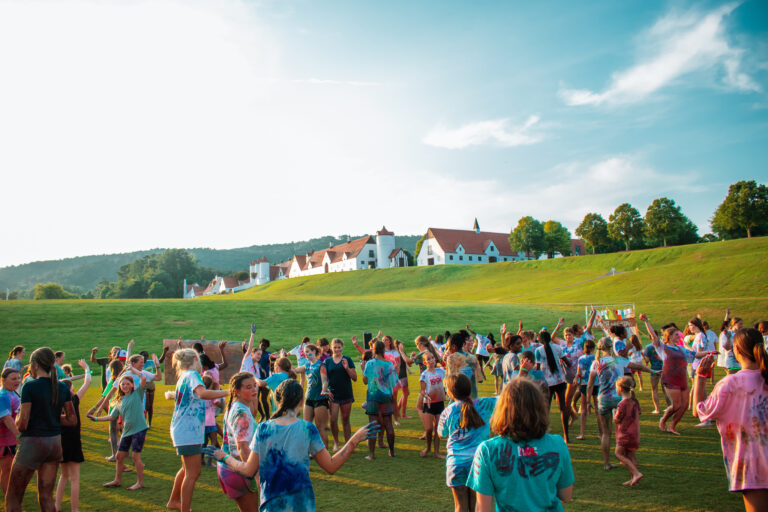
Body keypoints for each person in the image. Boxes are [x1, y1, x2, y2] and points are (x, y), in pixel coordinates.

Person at [207, 379, 378, 511]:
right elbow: (331, 466)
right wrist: (354, 439)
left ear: (277, 399)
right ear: (301, 400)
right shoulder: (307, 429)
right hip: (302, 503)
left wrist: (225, 457)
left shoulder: (264, 429)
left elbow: (247, 470)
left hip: (272, 504)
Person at [467, 378, 574, 512]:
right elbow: (566, 494)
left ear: (502, 410)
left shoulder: (487, 450)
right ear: (540, 408)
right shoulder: (558, 444)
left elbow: (483, 508)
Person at [695, 328, 768, 512]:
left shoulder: (730, 384)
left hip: (752, 465)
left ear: (736, 350)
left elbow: (700, 411)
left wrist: (701, 378)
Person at [5, 347, 76, 512]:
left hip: (32, 443)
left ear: (35, 364)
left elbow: (22, 424)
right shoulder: (63, 387)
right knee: (46, 497)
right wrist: (49, 416)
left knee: (13, 498)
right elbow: (72, 419)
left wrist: (17, 418)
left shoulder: (30, 387)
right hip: (54, 443)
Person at [165, 348, 229, 512]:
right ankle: (184, 509)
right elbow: (201, 393)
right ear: (195, 358)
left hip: (184, 428)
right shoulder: (192, 376)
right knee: (193, 473)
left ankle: (173, 501)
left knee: (187, 470)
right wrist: (229, 392)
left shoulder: (185, 376)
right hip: (187, 430)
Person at [438, 373, 497, 512]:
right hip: (478, 463)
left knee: (460, 505)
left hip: (456, 463)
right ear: (469, 388)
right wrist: (522, 372)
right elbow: (509, 395)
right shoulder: (484, 404)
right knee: (477, 504)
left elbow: (442, 433)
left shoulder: (447, 412)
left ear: (451, 392)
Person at [89, 368, 148, 490]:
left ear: (132, 385)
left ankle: (140, 483)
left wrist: (132, 369)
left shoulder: (137, 393)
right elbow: (112, 416)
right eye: (123, 384)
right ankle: (117, 480)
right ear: (120, 386)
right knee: (119, 456)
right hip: (127, 432)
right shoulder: (119, 401)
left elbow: (143, 378)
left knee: (135, 457)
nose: (125, 386)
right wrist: (95, 419)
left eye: (128, 384)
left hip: (139, 429)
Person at [642, 314, 701, 435]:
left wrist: (710, 353)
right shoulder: (662, 347)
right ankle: (664, 419)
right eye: (676, 335)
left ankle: (672, 426)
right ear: (669, 336)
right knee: (676, 405)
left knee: (684, 406)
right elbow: (653, 336)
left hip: (682, 378)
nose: (678, 336)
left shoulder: (680, 348)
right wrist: (646, 321)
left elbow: (695, 354)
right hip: (670, 378)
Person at [216, 372, 259, 511]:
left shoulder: (236, 406)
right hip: (239, 469)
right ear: (237, 392)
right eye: (248, 387)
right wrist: (255, 475)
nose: (254, 389)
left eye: (254, 386)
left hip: (230, 466)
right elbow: (242, 447)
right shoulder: (242, 413)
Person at [55, 360, 91, 512]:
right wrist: (86, 368)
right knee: (75, 477)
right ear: (69, 390)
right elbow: (87, 382)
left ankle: (56, 506)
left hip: (60, 442)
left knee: (63, 476)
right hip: (73, 441)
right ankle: (74, 509)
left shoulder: (54, 403)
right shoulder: (73, 400)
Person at [534, 322, 572, 444]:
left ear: (540, 340)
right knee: (563, 408)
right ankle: (566, 436)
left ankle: (545, 434)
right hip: (560, 381)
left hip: (547, 383)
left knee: (546, 409)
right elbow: (568, 363)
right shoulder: (557, 348)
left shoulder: (538, 351)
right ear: (550, 338)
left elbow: (538, 367)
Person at [362, 340, 398, 460]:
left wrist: (363, 370)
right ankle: (392, 451)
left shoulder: (370, 364)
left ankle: (371, 454)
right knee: (388, 423)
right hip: (386, 395)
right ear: (383, 350)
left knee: (373, 424)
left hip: (373, 396)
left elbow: (365, 380)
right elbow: (393, 383)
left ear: (373, 350)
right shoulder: (389, 365)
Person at [321, 338, 356, 452]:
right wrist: (325, 390)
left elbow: (354, 377)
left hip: (346, 393)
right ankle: (336, 442)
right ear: (331, 348)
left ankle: (348, 444)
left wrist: (346, 368)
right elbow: (325, 379)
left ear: (342, 347)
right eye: (334, 347)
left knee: (345, 420)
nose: (336, 349)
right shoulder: (327, 361)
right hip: (333, 395)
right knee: (333, 420)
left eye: (339, 347)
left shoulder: (348, 359)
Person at [294, 344, 331, 448]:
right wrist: (283, 359)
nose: (305, 354)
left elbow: (324, 380)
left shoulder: (321, 365)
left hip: (320, 399)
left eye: (308, 351)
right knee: (307, 427)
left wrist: (324, 390)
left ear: (314, 351)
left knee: (320, 427)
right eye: (304, 352)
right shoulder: (306, 365)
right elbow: (294, 370)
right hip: (309, 398)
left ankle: (325, 453)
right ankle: (309, 450)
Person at [614, 375, 643, 486]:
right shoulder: (634, 401)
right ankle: (634, 479)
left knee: (618, 453)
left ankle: (636, 473)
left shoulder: (622, 404)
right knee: (630, 454)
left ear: (620, 389)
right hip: (635, 433)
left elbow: (617, 420)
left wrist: (613, 413)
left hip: (625, 434)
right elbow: (639, 412)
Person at [418, 351, 445, 459]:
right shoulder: (424, 374)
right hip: (429, 404)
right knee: (429, 429)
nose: (431, 360)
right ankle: (428, 447)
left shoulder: (441, 372)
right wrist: (426, 396)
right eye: (428, 359)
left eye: (433, 358)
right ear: (425, 362)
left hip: (439, 403)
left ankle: (436, 452)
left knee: (438, 429)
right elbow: (422, 391)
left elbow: (449, 379)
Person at [0, 367, 22, 495]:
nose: (17, 381)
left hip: (11, 439)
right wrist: (19, 436)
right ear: (3, 380)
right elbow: (7, 420)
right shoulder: (3, 396)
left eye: (19, 378)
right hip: (4, 441)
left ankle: (12, 495)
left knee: (12, 469)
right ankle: (10, 500)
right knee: (6, 470)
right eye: (13, 378)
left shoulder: (13, 393)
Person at [574, 339, 597, 440]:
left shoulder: (581, 359)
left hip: (584, 384)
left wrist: (576, 379)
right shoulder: (595, 358)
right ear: (593, 348)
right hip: (595, 383)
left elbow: (579, 373)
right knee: (597, 408)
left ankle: (582, 433)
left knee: (583, 410)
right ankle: (601, 433)